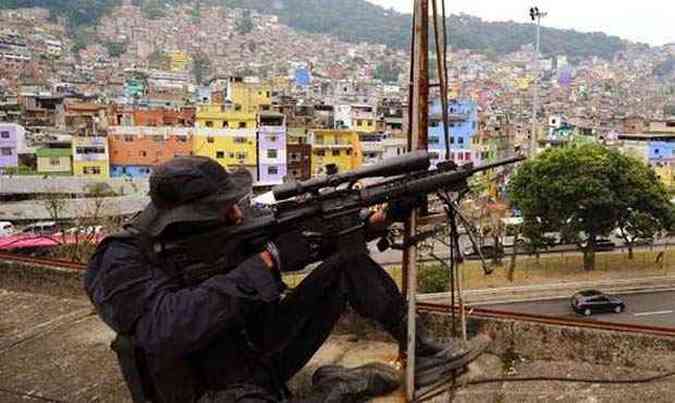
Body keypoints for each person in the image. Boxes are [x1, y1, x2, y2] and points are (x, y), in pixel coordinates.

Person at [85, 156, 476, 403]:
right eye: (223, 208)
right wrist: (265, 263)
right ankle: (331, 389)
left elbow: (313, 241)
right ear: (186, 217)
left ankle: (422, 352)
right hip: (202, 389)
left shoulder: (227, 231)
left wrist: (380, 219)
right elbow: (165, 329)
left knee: (347, 266)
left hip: (263, 353)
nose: (237, 213)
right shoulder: (120, 258)